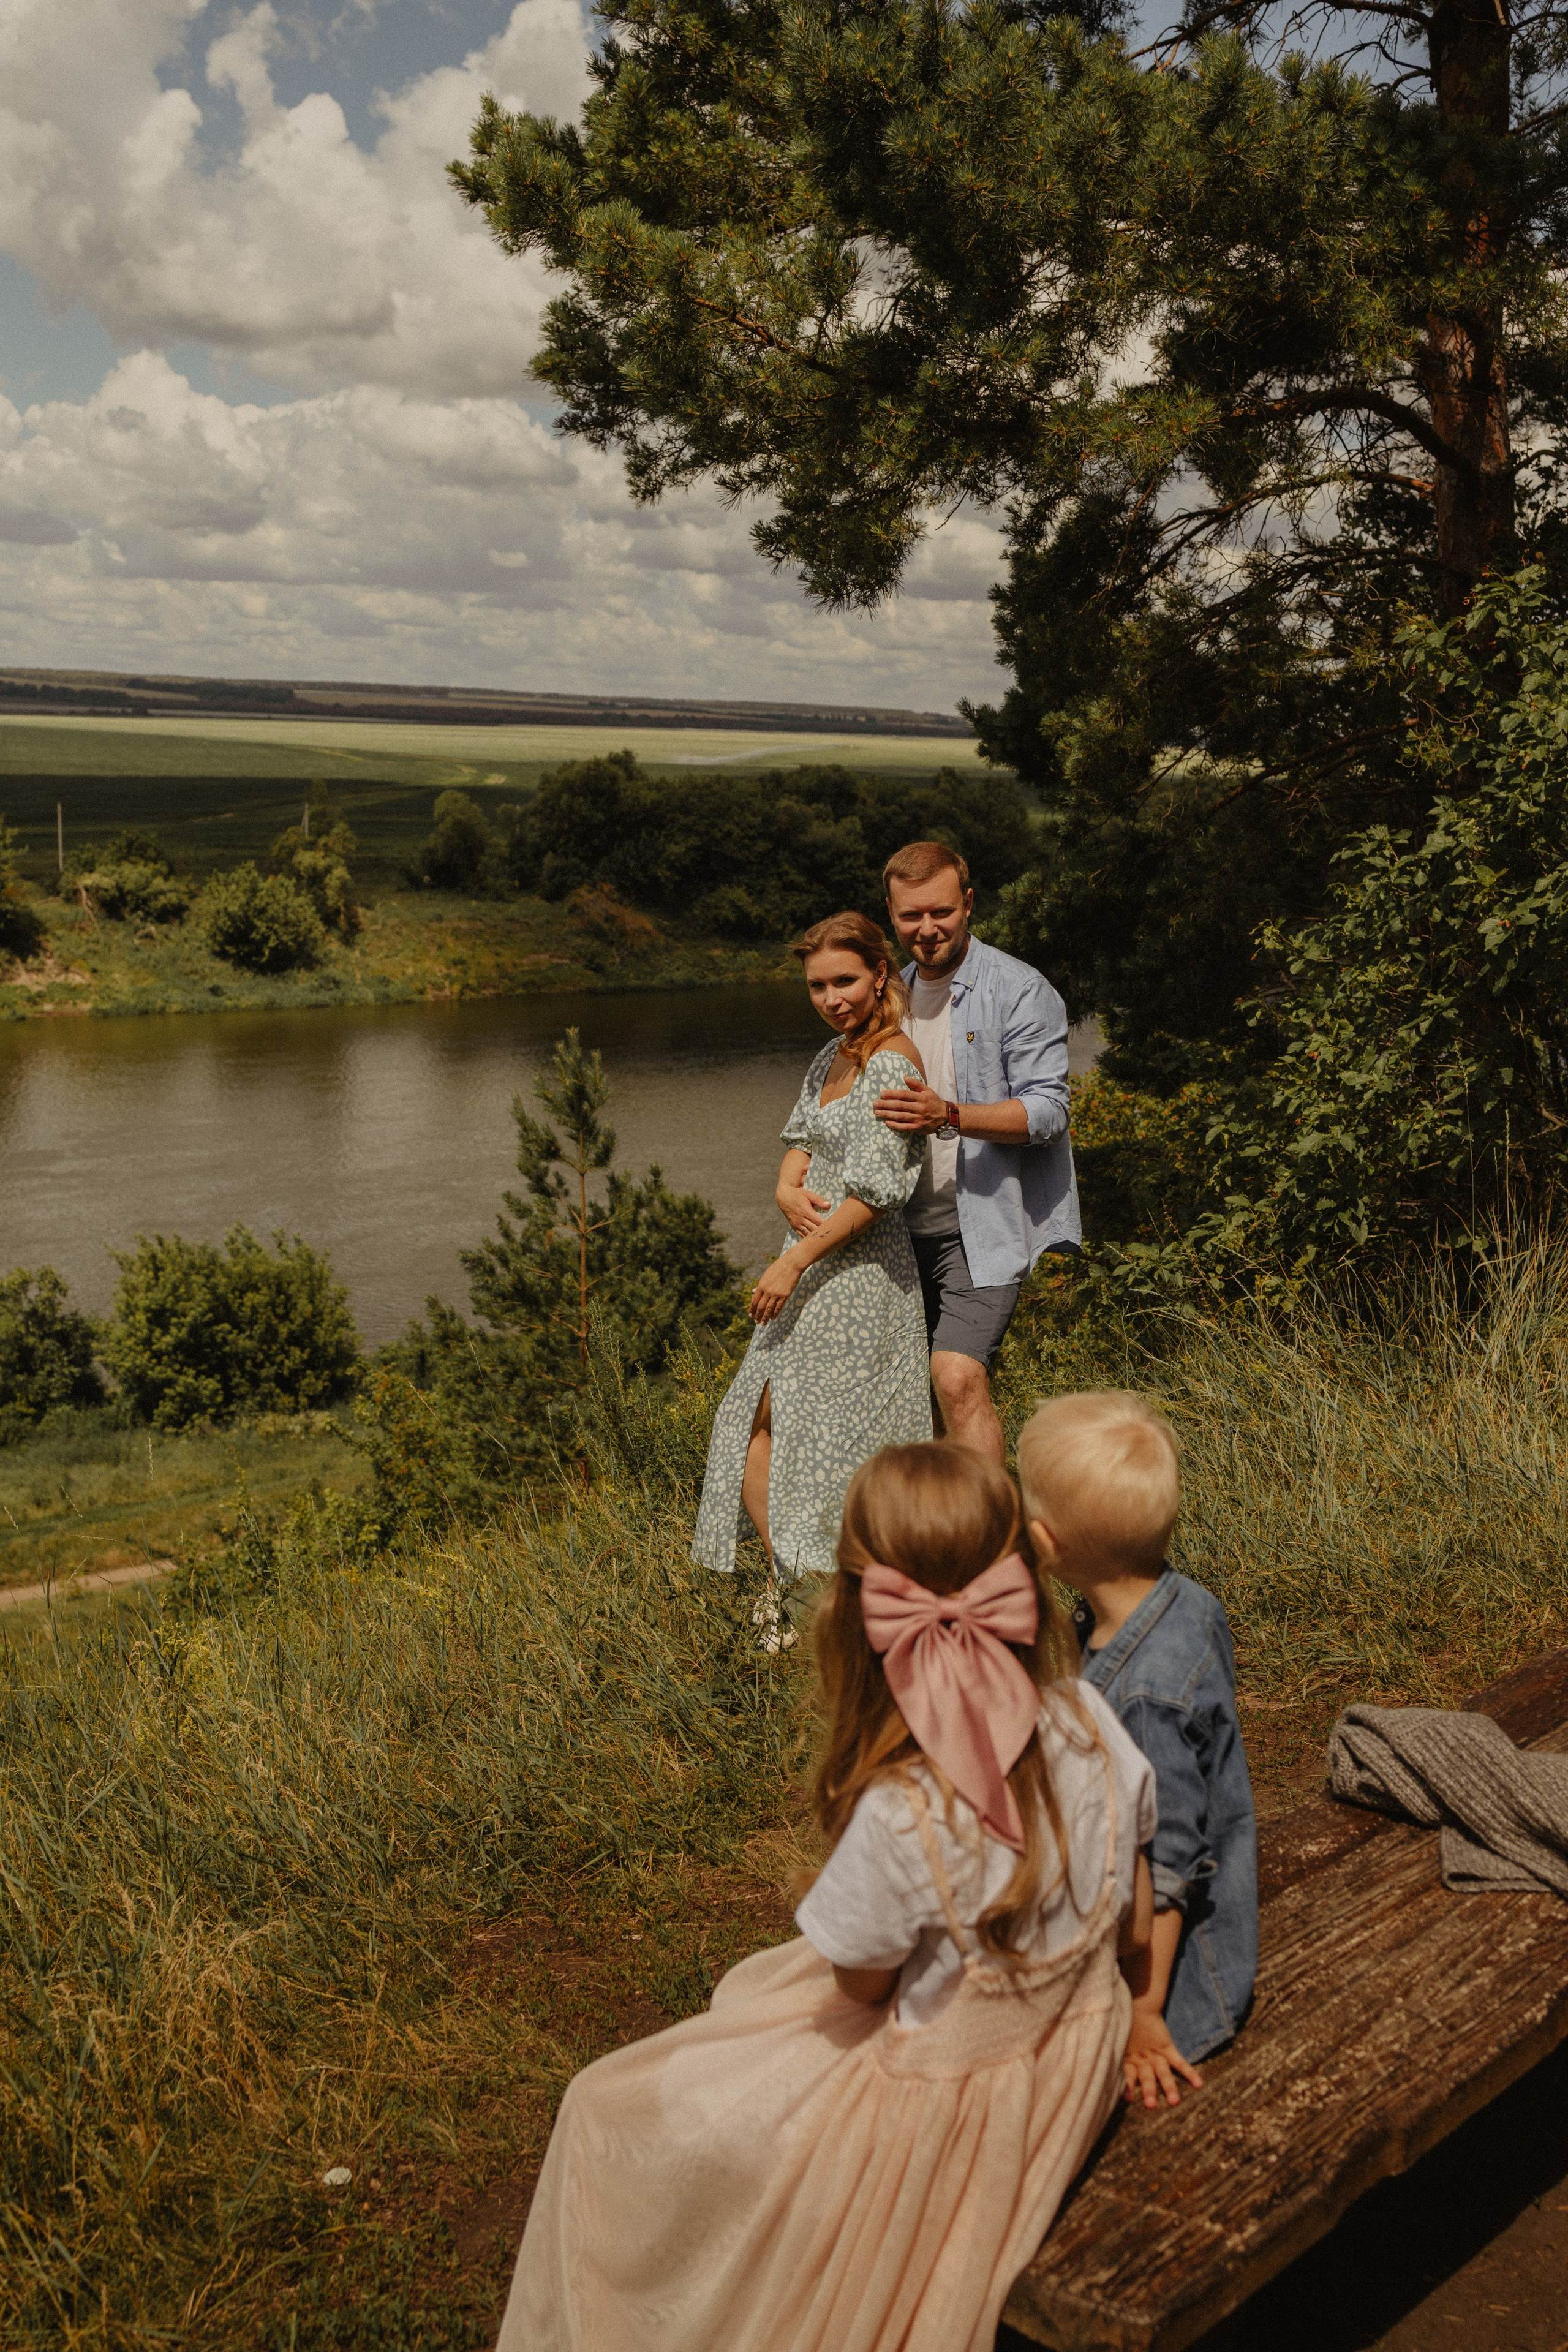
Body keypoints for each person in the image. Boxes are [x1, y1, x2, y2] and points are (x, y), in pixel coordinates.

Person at [495, 1440, 1159, 2352]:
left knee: (612, 2103)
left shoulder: (908, 1813)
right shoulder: (1093, 1722)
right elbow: (1135, 1902)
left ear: (857, 1611)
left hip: (943, 2112)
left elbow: (861, 1990)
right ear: (1025, 1586)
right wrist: (1139, 2003)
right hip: (1071, 2057)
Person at [690, 913, 932, 1616]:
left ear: (879, 974)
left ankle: (821, 1596)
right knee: (756, 1428)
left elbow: (877, 1194)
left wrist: (793, 1261)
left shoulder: (890, 1060)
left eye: (845, 981)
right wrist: (781, 1186)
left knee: (834, 1442)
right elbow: (799, 1141)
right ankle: (802, 1585)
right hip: (813, 1272)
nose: (832, 998)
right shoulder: (832, 1055)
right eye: (817, 986)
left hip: (858, 1279)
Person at [1017, 1390, 1257, 2090]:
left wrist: (1145, 2010)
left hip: (1174, 1975)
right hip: (1156, 1921)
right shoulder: (1186, 1602)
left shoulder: (1144, 1697)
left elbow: (1169, 1864)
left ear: (1046, 1543)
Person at [873, 841, 1078, 1467]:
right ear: (890, 913)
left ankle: (990, 1548)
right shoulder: (888, 997)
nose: (926, 929)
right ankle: (947, 1541)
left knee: (959, 1378)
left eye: (940, 912)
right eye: (910, 916)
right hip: (896, 1231)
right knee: (917, 1402)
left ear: (967, 903)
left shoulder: (1019, 989)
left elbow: (1049, 1111)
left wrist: (951, 1116)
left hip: (978, 1229)